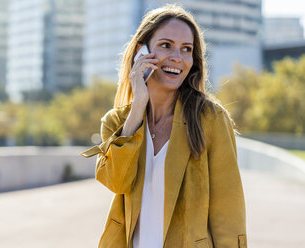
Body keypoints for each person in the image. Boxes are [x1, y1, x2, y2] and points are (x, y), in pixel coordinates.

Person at [81, 4, 247, 248]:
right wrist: (138, 106)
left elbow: (228, 212)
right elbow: (116, 182)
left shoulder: (210, 119)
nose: (177, 58)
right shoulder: (117, 123)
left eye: (186, 49)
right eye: (166, 45)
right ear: (142, 52)